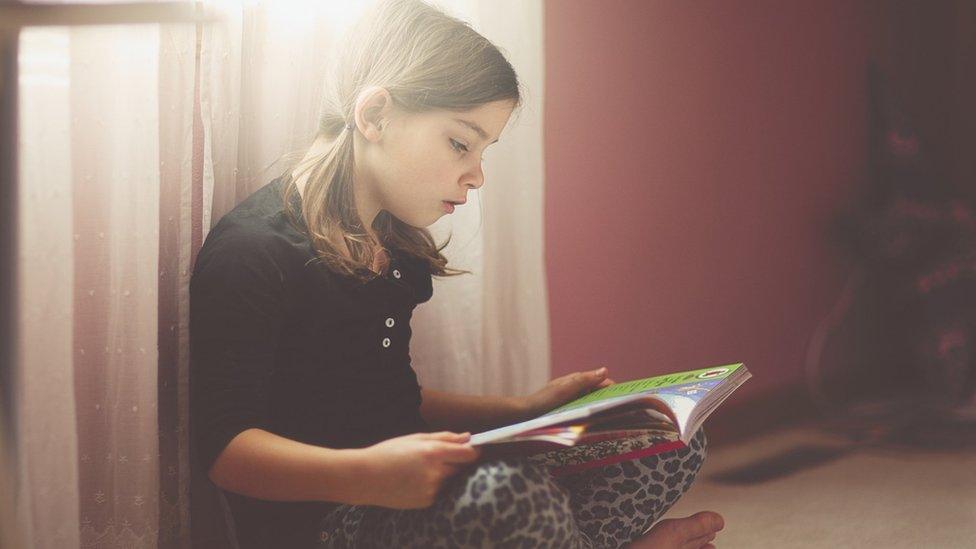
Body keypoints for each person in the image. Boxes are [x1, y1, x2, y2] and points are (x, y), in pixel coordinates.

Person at [188, 0, 724, 547]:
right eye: (460, 144)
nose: (476, 176)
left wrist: (523, 410)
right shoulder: (253, 253)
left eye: (484, 151)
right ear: (374, 116)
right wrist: (372, 474)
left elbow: (390, 395)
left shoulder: (391, 243)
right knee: (505, 496)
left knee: (666, 439)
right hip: (332, 522)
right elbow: (227, 453)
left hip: (419, 495)